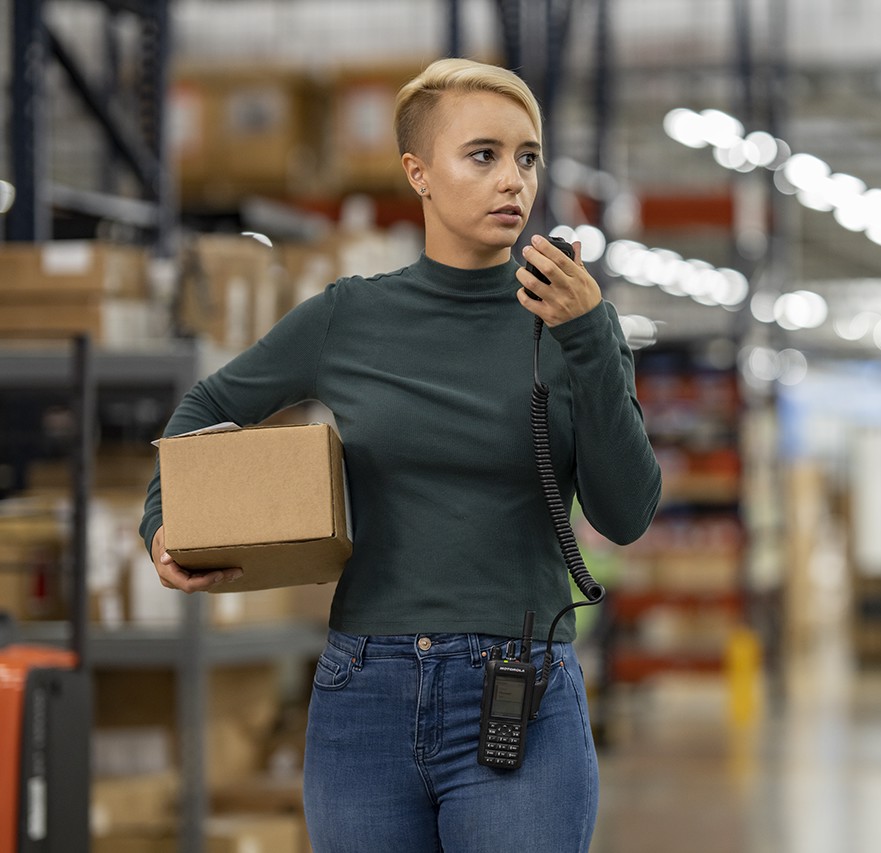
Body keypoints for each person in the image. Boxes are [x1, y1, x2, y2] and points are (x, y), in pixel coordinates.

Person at [139, 57, 662, 852]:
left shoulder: (576, 321)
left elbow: (626, 514)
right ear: (418, 173)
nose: (512, 180)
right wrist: (162, 524)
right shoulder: (350, 317)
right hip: (365, 694)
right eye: (482, 155)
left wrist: (588, 339)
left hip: (518, 691)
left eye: (527, 157)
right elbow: (204, 409)